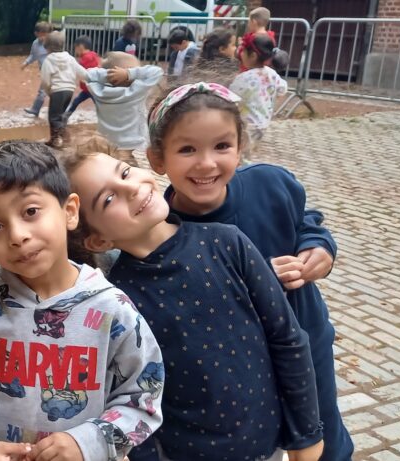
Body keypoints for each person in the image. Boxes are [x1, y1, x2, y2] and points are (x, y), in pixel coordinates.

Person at [64, 110, 324, 460]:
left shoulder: (228, 243)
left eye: (124, 172)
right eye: (108, 199)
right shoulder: (116, 299)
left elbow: (287, 339)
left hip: (268, 441)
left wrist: (306, 434)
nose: (130, 188)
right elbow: (130, 396)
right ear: (97, 240)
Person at [146, 82, 354, 461]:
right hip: (241, 370)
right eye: (187, 149)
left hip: (307, 341)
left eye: (222, 146)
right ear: (158, 159)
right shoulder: (163, 233)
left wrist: (319, 247)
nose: (206, 163)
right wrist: (253, 281)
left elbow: (305, 220)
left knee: (325, 439)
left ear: (240, 147)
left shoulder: (271, 183)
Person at [0, 140, 164, 461]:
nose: (17, 235)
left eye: (31, 211)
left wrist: (89, 442)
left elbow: (143, 396)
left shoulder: (113, 310)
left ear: (69, 211)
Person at [81, 51, 164, 164]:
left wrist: (108, 75)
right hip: (131, 141)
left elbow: (87, 74)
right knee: (125, 165)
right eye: (134, 70)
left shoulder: (100, 92)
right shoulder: (137, 91)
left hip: (107, 140)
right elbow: (157, 71)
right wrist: (129, 74)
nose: (136, 75)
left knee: (112, 163)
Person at [231, 34, 289, 157]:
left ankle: (243, 168)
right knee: (249, 151)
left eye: (243, 51)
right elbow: (282, 89)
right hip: (263, 123)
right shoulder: (271, 73)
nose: (241, 54)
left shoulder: (244, 78)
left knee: (241, 154)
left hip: (247, 124)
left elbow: (230, 97)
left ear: (253, 55)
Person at [39, 31, 84, 148]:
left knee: (53, 117)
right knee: (59, 115)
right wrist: (93, 77)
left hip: (57, 90)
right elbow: (81, 72)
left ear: (48, 47)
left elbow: (45, 80)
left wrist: (49, 91)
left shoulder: (48, 60)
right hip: (69, 91)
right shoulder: (70, 58)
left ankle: (64, 138)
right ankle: (56, 139)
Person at [22, 21, 54, 118]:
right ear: (36, 33)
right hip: (44, 72)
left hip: (54, 71)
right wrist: (26, 63)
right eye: (41, 34)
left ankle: (36, 109)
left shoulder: (52, 43)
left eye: (45, 34)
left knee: (49, 91)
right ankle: (36, 110)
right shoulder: (35, 44)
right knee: (45, 91)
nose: (43, 37)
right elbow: (33, 55)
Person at [65, 35, 101, 116]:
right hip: (90, 89)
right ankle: (66, 116)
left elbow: (79, 72)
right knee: (77, 101)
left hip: (90, 88)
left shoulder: (85, 58)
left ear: (81, 47)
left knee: (76, 102)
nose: (75, 51)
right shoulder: (94, 55)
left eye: (76, 48)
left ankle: (66, 116)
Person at [240, 7, 277, 72]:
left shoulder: (250, 38)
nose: (248, 25)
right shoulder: (270, 37)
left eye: (249, 22)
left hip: (249, 69)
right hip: (264, 70)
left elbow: (242, 53)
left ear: (254, 22)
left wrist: (240, 46)